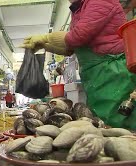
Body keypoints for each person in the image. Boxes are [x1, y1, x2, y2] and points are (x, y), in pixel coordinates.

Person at [22, 0, 136, 129]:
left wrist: (46, 38)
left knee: (120, 120)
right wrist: (44, 46)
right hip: (95, 74)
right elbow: (71, 49)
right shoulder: (79, 8)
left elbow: (78, 36)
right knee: (103, 120)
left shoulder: (100, 1)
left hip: (111, 72)